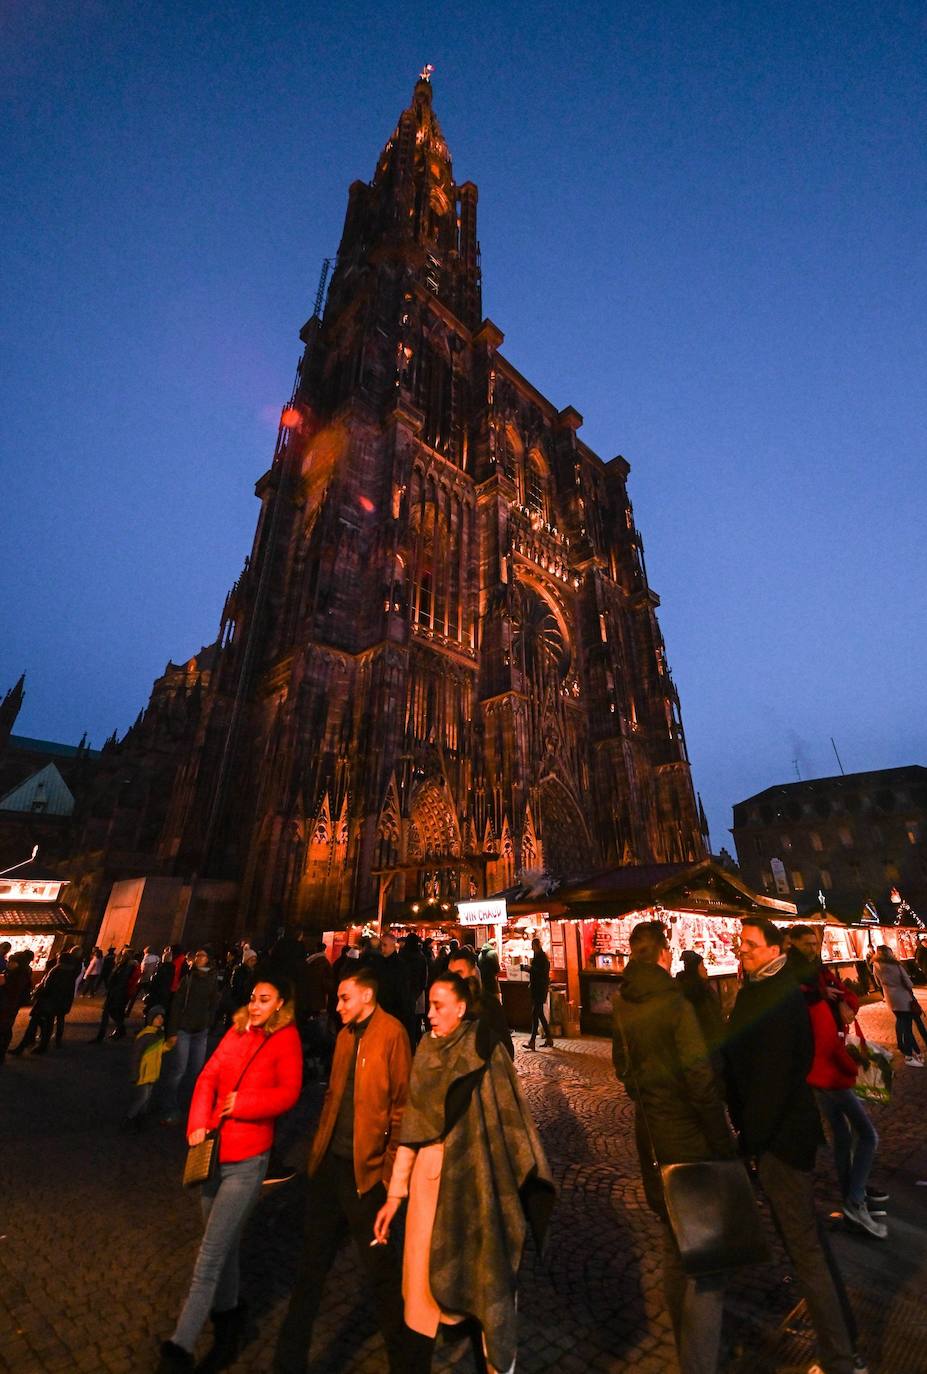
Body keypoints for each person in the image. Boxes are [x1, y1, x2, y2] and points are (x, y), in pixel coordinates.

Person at [373, 971, 554, 1374]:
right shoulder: (425, 1049)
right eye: (430, 1005)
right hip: (430, 1188)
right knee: (420, 1297)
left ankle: (494, 1361)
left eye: (438, 1006)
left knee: (486, 1277)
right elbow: (413, 1128)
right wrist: (395, 1195)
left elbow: (509, 1116)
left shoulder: (484, 1049)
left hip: (480, 1182)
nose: (430, 1013)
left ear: (460, 1007)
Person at [724, 918, 858, 1374]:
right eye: (739, 943)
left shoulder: (776, 996)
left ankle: (840, 1358)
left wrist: (753, 1144)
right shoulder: (763, 988)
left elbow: (774, 1080)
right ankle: (846, 1342)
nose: (740, 949)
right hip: (777, 1135)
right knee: (808, 1245)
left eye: (748, 944)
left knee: (805, 1252)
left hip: (780, 1140)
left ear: (773, 950)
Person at [158, 972, 302, 1373]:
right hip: (213, 1151)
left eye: (265, 998)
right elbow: (206, 1077)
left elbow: (289, 1093)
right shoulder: (237, 1030)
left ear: (280, 1005)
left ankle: (179, 1350)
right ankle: (231, 1318)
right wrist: (196, 1123)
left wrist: (244, 1103)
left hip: (248, 1160)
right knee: (223, 1245)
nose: (256, 1004)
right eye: (254, 997)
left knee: (209, 1256)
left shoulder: (285, 1039)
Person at [274, 965, 410, 1374]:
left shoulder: (393, 1035)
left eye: (344, 998)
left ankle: (406, 1361)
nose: (337, 1006)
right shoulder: (344, 1036)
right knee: (310, 1266)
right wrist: (317, 1152)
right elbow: (333, 1095)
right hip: (330, 1168)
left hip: (365, 1175)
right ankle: (288, 1361)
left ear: (367, 996)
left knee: (381, 1276)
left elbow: (404, 1109)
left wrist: (387, 1175)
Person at [613, 921, 736, 1374]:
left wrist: (649, 1098)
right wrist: (723, 1143)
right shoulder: (674, 1003)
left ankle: (688, 1354)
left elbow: (622, 1068)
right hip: (690, 1139)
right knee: (707, 1266)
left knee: (671, 1245)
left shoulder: (623, 1002)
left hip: (652, 1136)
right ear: (664, 953)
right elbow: (701, 1081)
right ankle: (698, 1364)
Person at [787, 927, 886, 1240]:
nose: (812, 947)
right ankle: (855, 1200)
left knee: (843, 1135)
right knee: (868, 1135)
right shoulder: (797, 981)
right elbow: (819, 1032)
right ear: (791, 944)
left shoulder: (817, 973)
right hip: (827, 1069)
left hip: (826, 1067)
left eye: (815, 942)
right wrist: (850, 1065)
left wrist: (843, 1001)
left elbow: (845, 993)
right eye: (806, 943)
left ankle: (851, 1196)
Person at [160, 949, 219, 1123]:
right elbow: (177, 1005)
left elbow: (214, 1004)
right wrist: (172, 1032)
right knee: (179, 1070)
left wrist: (209, 1023)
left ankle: (189, 1106)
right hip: (184, 1030)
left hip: (201, 1031)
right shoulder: (188, 979)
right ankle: (170, 1108)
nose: (198, 958)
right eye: (197, 955)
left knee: (196, 1072)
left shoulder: (213, 980)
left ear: (209, 959)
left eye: (202, 955)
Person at [447, 948, 514, 1059]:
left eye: (459, 973)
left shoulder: (489, 1005)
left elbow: (506, 1050)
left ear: (473, 972)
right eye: (451, 974)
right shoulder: (448, 1006)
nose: (454, 979)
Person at [871, 944, 922, 1064]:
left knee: (900, 1021)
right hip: (903, 998)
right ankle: (909, 1055)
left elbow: (878, 983)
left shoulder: (876, 965)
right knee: (907, 1027)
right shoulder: (896, 965)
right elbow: (909, 983)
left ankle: (902, 1046)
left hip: (890, 998)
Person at [675, 950, 725, 1071]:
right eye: (702, 966)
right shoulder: (697, 993)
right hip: (708, 1051)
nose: (706, 969)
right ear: (695, 970)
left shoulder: (701, 989)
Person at [125, 1004, 168, 1128]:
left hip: (151, 1072)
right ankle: (129, 1118)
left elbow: (159, 1049)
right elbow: (136, 1056)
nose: (160, 1020)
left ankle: (140, 1120)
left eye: (161, 1018)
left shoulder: (157, 1034)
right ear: (151, 1019)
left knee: (146, 1099)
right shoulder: (145, 1036)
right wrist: (134, 1073)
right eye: (157, 1017)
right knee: (142, 1098)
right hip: (143, 1073)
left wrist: (169, 1045)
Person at [93, 947, 138, 1041]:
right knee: (113, 1012)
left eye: (123, 953)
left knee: (111, 1012)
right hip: (116, 992)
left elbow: (122, 981)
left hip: (118, 993)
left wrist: (114, 990)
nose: (121, 954)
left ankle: (103, 1035)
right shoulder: (122, 964)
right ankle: (119, 1030)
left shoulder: (128, 966)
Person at [0, 950, 34, 1065]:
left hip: (8, 1006)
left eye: (12, 962)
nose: (9, 963)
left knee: (4, 1029)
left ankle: (1, 1054)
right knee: (5, 1028)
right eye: (9, 961)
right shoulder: (11, 972)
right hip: (7, 1005)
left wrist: (4, 983)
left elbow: (15, 992)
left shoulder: (20, 975)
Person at [524, 936, 554, 1050]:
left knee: (535, 1014)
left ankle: (532, 1041)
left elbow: (541, 973)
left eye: (533, 946)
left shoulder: (541, 958)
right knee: (539, 1014)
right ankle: (549, 1038)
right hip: (538, 989)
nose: (532, 948)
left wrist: (529, 969)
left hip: (539, 990)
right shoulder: (539, 957)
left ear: (536, 946)